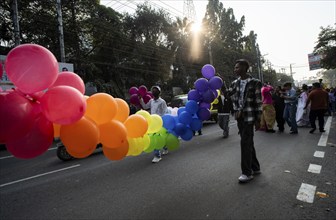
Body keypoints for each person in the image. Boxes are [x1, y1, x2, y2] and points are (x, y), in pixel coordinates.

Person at [228, 59, 262, 183]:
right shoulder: (234, 83)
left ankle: (247, 173)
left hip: (250, 117)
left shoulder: (255, 83)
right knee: (248, 143)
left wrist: (259, 119)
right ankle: (256, 167)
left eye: (237, 67)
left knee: (245, 143)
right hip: (239, 117)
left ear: (244, 68)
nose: (235, 69)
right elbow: (229, 95)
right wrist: (220, 85)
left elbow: (258, 102)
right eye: (235, 67)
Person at [139, 86, 168, 163]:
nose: (154, 92)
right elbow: (145, 107)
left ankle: (157, 156)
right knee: (157, 137)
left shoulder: (162, 102)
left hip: (159, 122)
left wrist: (160, 120)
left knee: (156, 137)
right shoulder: (151, 101)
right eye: (153, 90)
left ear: (159, 92)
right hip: (152, 122)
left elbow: (165, 111)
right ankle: (165, 147)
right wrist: (141, 100)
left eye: (156, 90)